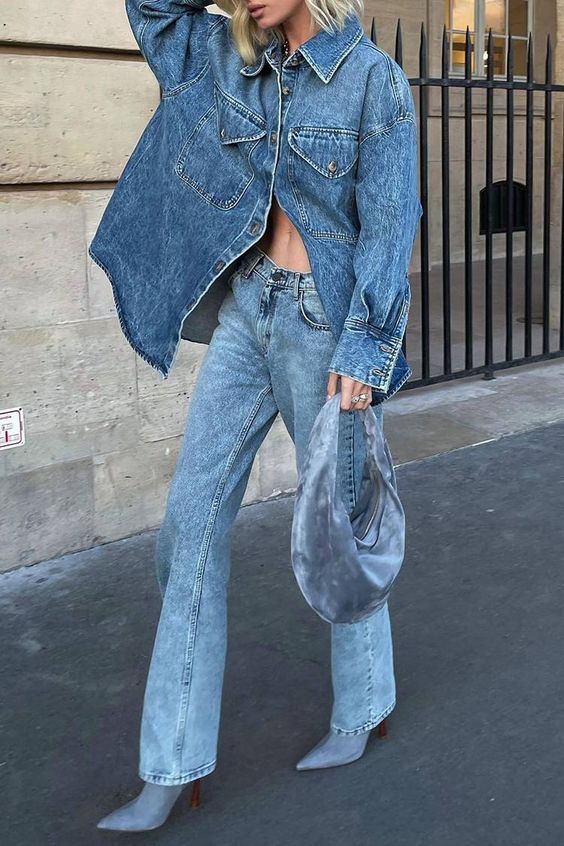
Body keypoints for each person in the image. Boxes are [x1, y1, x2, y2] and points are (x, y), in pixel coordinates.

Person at [91, 0, 423, 832]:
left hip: (324, 324)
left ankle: (364, 706)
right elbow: (151, 11)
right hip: (248, 309)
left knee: (339, 524)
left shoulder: (373, 82)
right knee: (189, 524)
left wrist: (366, 350)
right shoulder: (224, 55)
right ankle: (171, 763)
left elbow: (391, 226)